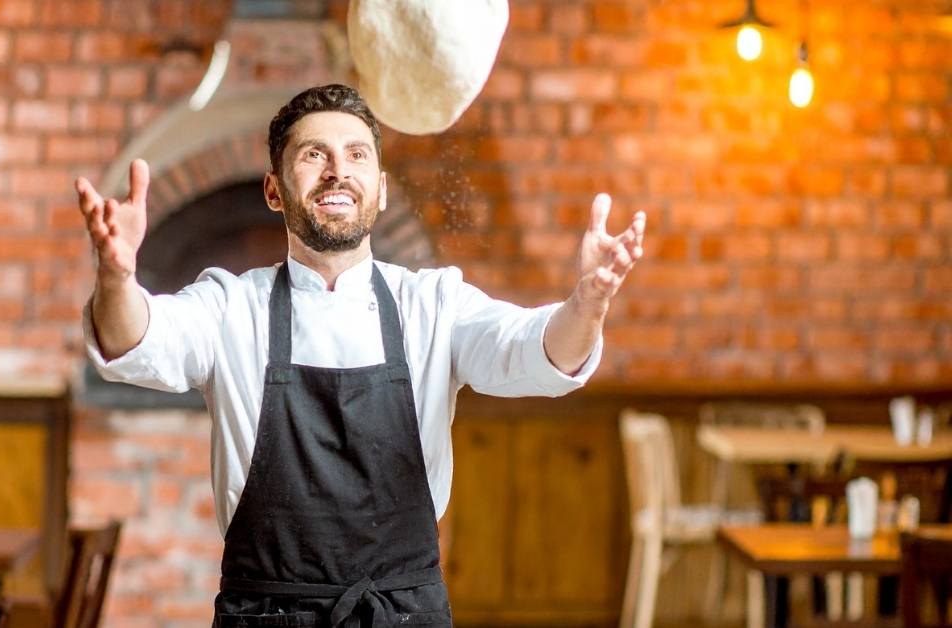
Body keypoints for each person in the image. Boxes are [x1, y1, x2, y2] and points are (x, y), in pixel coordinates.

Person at [75, 84, 645, 628]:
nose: (337, 171)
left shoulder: (433, 304)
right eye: (314, 155)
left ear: (382, 187)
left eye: (356, 154)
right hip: (266, 613)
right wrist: (116, 277)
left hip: (402, 614)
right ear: (273, 190)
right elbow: (138, 340)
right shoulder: (230, 306)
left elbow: (536, 352)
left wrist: (587, 304)